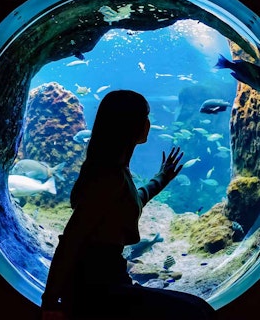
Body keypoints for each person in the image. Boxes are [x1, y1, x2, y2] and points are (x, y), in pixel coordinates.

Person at [41, 89, 216, 319]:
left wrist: (161, 178)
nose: (149, 123)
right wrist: (50, 302)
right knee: (197, 312)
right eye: (145, 116)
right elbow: (73, 237)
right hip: (96, 289)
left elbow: (132, 201)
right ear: (129, 124)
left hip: (110, 280)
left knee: (196, 308)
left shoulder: (117, 170)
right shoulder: (108, 175)